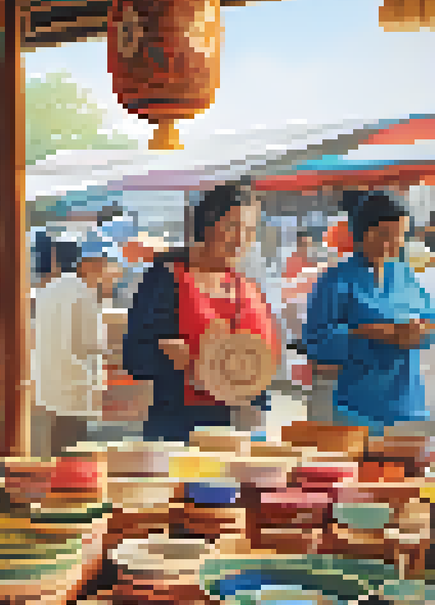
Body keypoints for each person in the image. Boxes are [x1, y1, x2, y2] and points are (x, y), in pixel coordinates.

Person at [125, 183, 280, 442]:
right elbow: (134, 357)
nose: (241, 239)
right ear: (206, 226)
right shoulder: (166, 280)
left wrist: (257, 407)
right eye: (232, 226)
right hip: (179, 427)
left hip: (238, 428)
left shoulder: (247, 287)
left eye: (250, 230)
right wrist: (167, 357)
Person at [301, 193, 435, 436]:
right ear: (364, 234)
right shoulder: (336, 280)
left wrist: (419, 332)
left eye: (401, 235)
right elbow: (316, 340)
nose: (397, 243)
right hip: (357, 409)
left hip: (409, 407)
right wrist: (369, 333)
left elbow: (430, 319)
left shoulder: (405, 275)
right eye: (388, 235)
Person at [33, 241, 116, 456]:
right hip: (76, 379)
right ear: (83, 264)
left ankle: (56, 472)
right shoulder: (82, 291)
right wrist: (112, 353)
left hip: (49, 376)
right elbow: (92, 341)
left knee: (56, 437)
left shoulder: (47, 290)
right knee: (73, 443)